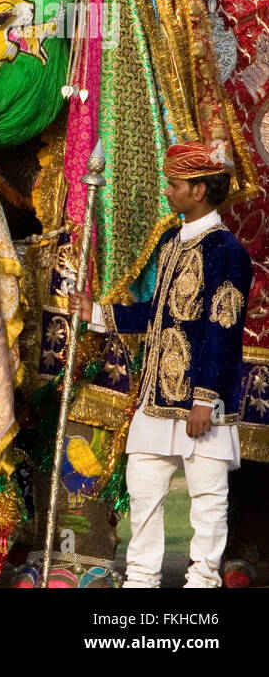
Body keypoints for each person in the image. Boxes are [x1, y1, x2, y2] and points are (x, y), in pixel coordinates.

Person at [70, 141, 251, 588]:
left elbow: (221, 331)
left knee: (208, 500)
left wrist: (205, 400)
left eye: (174, 185)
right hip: (157, 399)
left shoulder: (228, 252)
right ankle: (142, 581)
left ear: (200, 190)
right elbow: (158, 312)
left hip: (200, 403)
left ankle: (203, 583)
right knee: (144, 491)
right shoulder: (172, 241)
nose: (167, 192)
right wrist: (97, 312)